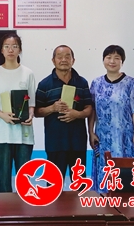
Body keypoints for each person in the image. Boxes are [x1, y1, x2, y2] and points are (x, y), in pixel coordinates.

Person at [88, 45, 134, 193]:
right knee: (104, 174)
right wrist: (91, 132)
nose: (112, 61)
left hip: (125, 137)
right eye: (108, 57)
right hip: (103, 138)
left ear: (122, 61)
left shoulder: (131, 83)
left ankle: (126, 204)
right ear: (103, 60)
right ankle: (105, 204)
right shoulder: (96, 83)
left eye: (117, 58)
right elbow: (92, 110)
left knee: (126, 175)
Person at [0, 33, 35, 193]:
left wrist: (30, 115)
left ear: (20, 49)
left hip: (24, 133)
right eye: (7, 46)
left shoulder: (28, 73)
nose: (10, 50)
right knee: (4, 176)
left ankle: (24, 206)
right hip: (2, 134)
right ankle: (4, 207)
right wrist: (3, 115)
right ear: (1, 50)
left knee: (24, 178)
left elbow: (32, 102)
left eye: (14, 46)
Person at [35, 45, 92, 179]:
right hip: (55, 142)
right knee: (53, 183)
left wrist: (77, 114)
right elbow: (36, 112)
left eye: (67, 56)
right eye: (59, 57)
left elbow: (89, 108)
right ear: (53, 60)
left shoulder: (82, 82)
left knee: (79, 182)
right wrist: (52, 108)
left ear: (73, 60)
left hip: (77, 141)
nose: (64, 60)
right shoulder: (44, 84)